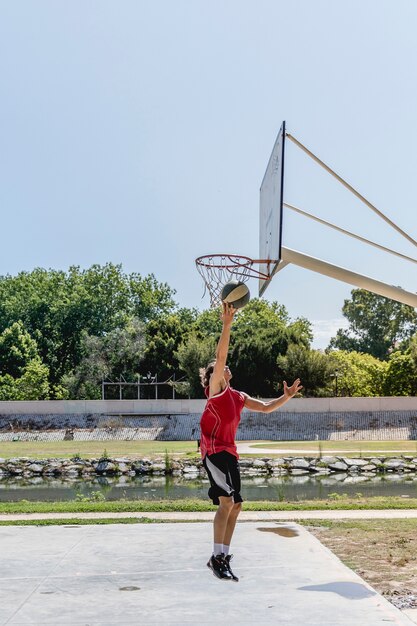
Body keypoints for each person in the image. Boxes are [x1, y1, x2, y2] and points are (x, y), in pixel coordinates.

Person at [199, 302, 302, 582]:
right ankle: (216, 557)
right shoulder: (216, 390)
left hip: (229, 453)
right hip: (213, 452)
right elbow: (220, 358)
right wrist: (227, 324)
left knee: (236, 505)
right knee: (226, 501)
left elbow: (267, 407)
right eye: (218, 369)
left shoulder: (238, 395)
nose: (224, 368)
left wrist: (287, 397)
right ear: (212, 378)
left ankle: (222, 556)